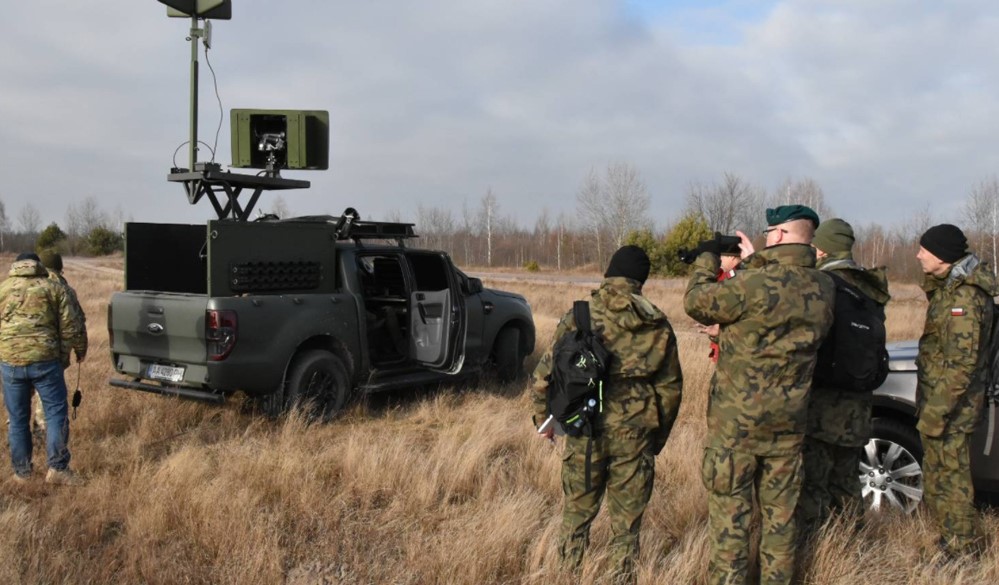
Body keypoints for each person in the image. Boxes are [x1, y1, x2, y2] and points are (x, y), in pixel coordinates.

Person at [684, 205, 835, 585]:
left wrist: (706, 258)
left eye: (770, 232)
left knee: (730, 522)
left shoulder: (750, 286)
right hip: (789, 426)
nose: (766, 238)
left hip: (736, 429)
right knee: (780, 523)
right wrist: (755, 263)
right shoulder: (824, 288)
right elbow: (770, 318)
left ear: (781, 234)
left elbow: (697, 301)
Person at [531, 245, 683, 583]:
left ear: (609, 273)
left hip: (586, 427)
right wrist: (655, 439)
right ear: (641, 280)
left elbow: (546, 374)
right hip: (636, 432)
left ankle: (567, 575)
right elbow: (671, 388)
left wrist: (544, 420)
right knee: (627, 524)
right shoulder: (656, 322)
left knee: (576, 513)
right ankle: (620, 577)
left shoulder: (581, 315)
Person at [797, 218, 890, 530]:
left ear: (822, 250)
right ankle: (852, 544)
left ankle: (815, 547)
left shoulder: (822, 285)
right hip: (859, 405)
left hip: (823, 404)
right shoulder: (871, 288)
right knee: (848, 480)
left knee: (814, 482)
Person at [914, 224, 996, 558]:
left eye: (924, 249)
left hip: (952, 406)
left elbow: (962, 364)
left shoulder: (964, 296)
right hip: (944, 402)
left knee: (951, 479)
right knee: (940, 475)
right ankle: (951, 538)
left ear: (943, 256)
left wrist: (937, 411)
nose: (918, 255)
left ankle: (965, 549)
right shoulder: (950, 288)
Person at [0, 252, 86, 485]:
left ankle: (22, 474)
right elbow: (71, 326)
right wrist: (75, 351)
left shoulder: (3, 288)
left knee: (17, 419)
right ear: (39, 266)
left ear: (16, 266)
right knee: (56, 414)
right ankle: (57, 469)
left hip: (10, 364)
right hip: (46, 363)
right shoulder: (54, 288)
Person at [32, 250, 88, 431]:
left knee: (21, 398)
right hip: (51, 355)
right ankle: (42, 431)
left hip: (17, 354)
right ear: (60, 267)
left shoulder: (28, 284)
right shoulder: (65, 290)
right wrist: (81, 350)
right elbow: (76, 325)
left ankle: (17, 434)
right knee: (46, 397)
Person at [697, 248, 742, 362]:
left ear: (732, 257)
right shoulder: (724, 274)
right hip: (721, 339)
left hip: (733, 346)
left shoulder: (741, 276)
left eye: (723, 256)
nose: (720, 259)